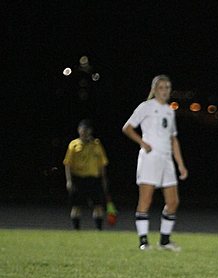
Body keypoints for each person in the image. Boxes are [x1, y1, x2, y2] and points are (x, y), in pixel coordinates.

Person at [122, 74, 188, 251]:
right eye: (161, 87)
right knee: (146, 200)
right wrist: (142, 143)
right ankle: (143, 241)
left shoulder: (170, 110)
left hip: (166, 160)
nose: (165, 91)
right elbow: (127, 128)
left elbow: (174, 140)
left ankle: (164, 241)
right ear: (154, 90)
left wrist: (180, 164)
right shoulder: (146, 107)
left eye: (167, 87)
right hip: (150, 158)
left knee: (173, 202)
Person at [63, 119, 109, 230]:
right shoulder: (73, 145)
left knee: (98, 206)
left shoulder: (96, 144)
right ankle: (76, 230)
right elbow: (67, 164)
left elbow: (102, 164)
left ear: (90, 131)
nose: (84, 133)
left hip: (93, 179)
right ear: (78, 131)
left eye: (86, 130)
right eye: (82, 130)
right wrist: (69, 180)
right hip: (78, 179)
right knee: (76, 206)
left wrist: (104, 180)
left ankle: (99, 230)